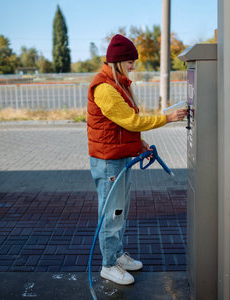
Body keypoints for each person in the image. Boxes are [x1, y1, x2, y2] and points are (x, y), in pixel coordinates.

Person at [87, 34, 187, 285]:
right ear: (118, 61)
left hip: (118, 157)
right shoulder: (105, 88)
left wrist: (138, 144)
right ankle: (108, 265)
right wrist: (168, 118)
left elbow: (120, 127)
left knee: (120, 210)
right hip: (108, 161)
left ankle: (117, 255)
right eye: (130, 61)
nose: (134, 65)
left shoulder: (118, 83)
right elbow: (131, 121)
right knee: (112, 213)